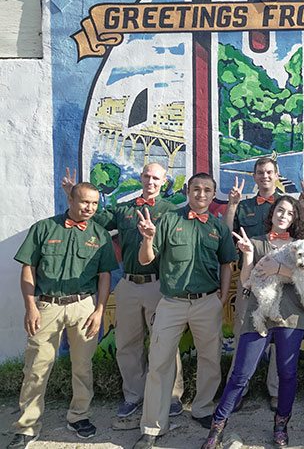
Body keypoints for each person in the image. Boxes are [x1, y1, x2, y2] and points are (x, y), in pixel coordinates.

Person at [61, 164, 185, 419]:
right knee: (127, 344)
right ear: (140, 178)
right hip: (128, 285)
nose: (150, 181)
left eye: (156, 178)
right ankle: (133, 395)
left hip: (158, 284)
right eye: (146, 176)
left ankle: (171, 396)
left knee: (165, 342)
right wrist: (71, 194)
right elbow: (91, 218)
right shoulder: (124, 209)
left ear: (163, 181)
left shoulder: (172, 211)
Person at [8, 182, 116, 448]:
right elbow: (28, 269)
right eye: (84, 202)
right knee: (36, 367)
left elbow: (105, 276)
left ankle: (79, 416)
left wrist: (99, 311)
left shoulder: (100, 235)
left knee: (82, 366)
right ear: (71, 200)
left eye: (94, 203)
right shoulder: (43, 229)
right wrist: (30, 306)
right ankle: (27, 425)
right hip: (47, 306)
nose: (89, 207)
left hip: (84, 307)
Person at [134, 173, 237, 449]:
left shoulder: (218, 227)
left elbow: (227, 262)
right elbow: (146, 260)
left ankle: (203, 408)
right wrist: (147, 239)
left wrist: (223, 295)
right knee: (159, 362)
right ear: (187, 191)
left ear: (213, 194)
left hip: (207, 302)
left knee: (210, 359)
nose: (201, 195)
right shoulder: (168, 220)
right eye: (195, 189)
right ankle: (153, 426)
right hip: (172, 303)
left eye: (206, 190)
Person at [202, 196, 304, 448]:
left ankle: (281, 426)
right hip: (258, 315)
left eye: (289, 213)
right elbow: (246, 282)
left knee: (287, 374)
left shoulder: (300, 246)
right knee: (241, 374)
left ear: (294, 219)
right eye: (280, 211)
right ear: (272, 213)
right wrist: (249, 256)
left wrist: (277, 270)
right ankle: (217, 427)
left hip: (291, 316)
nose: (283, 216)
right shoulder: (256, 243)